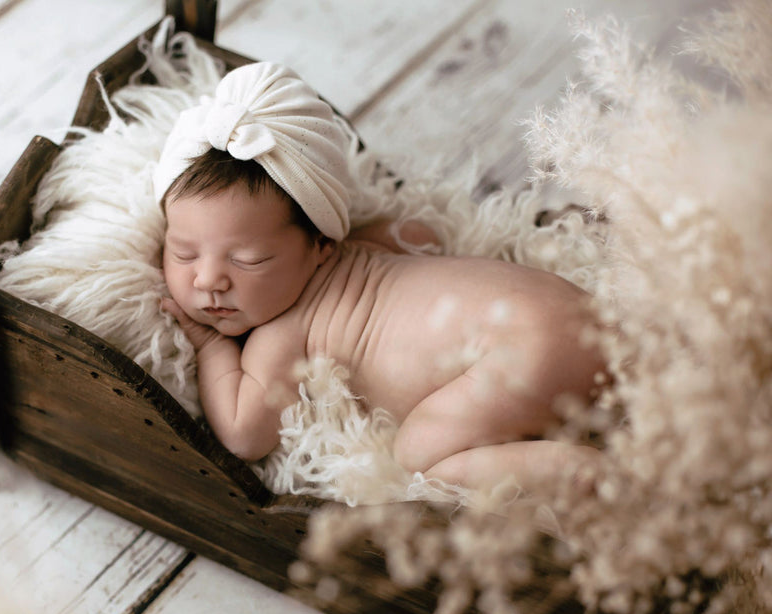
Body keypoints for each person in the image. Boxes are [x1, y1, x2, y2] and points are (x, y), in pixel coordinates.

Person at [154, 62, 605, 489]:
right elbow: (423, 234)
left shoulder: (280, 336)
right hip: (572, 307)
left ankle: (568, 468)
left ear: (320, 247)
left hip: (519, 355)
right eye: (183, 253)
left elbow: (242, 436)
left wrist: (211, 344)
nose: (208, 279)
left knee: (414, 456)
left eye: (248, 260)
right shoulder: (370, 248)